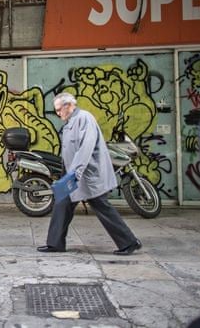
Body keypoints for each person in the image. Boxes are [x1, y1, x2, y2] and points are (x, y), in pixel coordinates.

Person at [37, 92, 142, 255]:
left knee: (102, 206)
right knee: (62, 204)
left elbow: (85, 148)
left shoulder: (84, 119)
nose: (58, 114)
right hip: (73, 172)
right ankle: (55, 243)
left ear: (69, 105)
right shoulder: (71, 121)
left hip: (86, 173)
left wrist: (75, 173)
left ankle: (129, 242)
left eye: (59, 110)